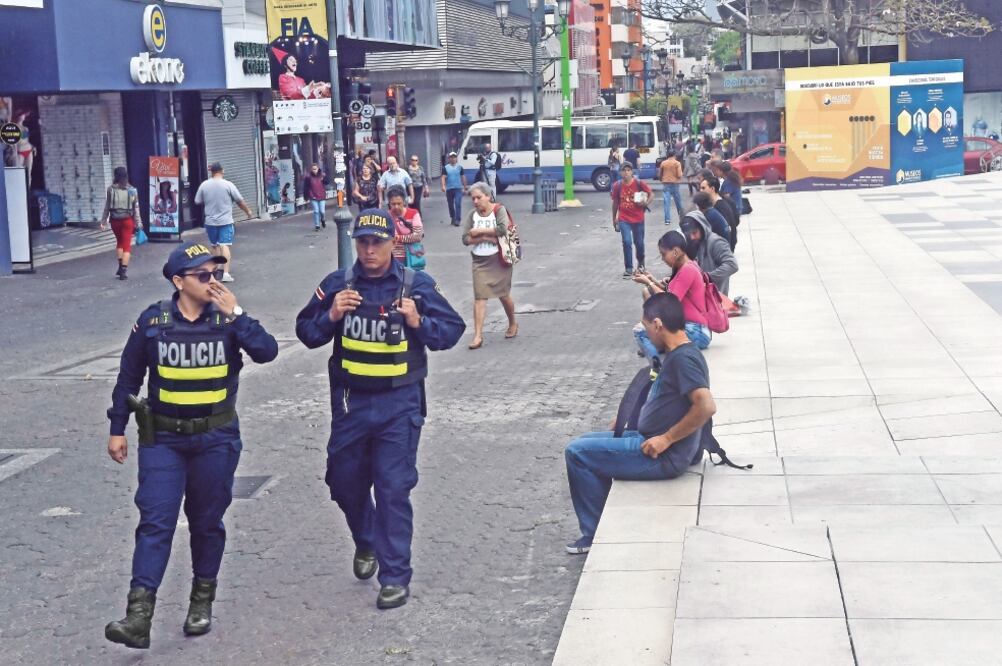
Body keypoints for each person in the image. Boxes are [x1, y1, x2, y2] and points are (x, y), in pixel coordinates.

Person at [103, 242, 278, 649]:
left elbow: (267, 352)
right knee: (155, 522)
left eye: (216, 273)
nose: (212, 281)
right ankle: (138, 617)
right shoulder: (153, 322)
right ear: (179, 282)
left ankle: (202, 601)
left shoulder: (228, 319)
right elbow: (129, 378)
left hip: (215, 440)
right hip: (162, 440)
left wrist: (236, 312)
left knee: (205, 522)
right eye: (203, 276)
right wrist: (117, 428)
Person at [295, 209, 465, 609]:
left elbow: (450, 332)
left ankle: (394, 577)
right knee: (343, 482)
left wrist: (419, 321)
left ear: (393, 243)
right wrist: (332, 314)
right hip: (352, 406)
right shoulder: (338, 284)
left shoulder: (415, 285)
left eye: (378, 242)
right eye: (363, 242)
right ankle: (366, 539)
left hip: (399, 405)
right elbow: (305, 332)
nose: (370, 250)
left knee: (392, 489)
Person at [563, 292, 716, 554]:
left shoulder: (684, 360)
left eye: (646, 327)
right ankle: (598, 521)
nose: (646, 334)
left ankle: (594, 534)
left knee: (576, 453)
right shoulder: (680, 352)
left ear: (657, 324)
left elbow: (706, 405)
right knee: (585, 441)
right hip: (650, 437)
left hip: (662, 454)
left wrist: (666, 438)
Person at [462, 182, 518, 349]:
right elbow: (465, 239)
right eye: (473, 198)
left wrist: (478, 232)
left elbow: (502, 229)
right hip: (480, 261)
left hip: (499, 259)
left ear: (488, 196)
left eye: (479, 197)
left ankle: (513, 322)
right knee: (479, 297)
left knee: (504, 294)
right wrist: (486, 238)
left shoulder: (499, 210)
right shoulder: (472, 215)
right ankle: (478, 336)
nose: (476, 201)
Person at [638, 230, 711, 349]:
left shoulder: (688, 270)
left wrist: (649, 282)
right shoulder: (685, 267)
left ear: (675, 252)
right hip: (692, 328)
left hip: (697, 330)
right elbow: (671, 293)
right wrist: (653, 280)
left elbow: (669, 302)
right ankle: (659, 349)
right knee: (650, 326)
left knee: (641, 332)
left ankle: (656, 365)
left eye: (663, 254)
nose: (663, 259)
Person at [194, 163, 252, 283]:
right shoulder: (228, 185)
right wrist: (248, 212)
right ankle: (225, 273)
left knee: (214, 245)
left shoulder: (204, 185)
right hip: (225, 221)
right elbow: (239, 201)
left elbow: (197, 201)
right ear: (222, 171)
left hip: (210, 221)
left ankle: (216, 270)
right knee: (225, 245)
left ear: (212, 172)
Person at [679, 211, 738, 295]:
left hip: (715, 298)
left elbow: (732, 265)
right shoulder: (692, 243)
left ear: (702, 227)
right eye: (689, 234)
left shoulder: (716, 242)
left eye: (694, 232)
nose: (692, 237)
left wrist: (707, 277)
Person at [611, 163, 653, 278]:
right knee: (627, 242)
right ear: (620, 172)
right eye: (624, 170)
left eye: (628, 170)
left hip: (638, 218)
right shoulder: (617, 186)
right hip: (624, 219)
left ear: (632, 172)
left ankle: (641, 264)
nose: (626, 173)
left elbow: (651, 194)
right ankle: (628, 268)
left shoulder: (639, 184)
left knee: (639, 243)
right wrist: (614, 218)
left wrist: (646, 203)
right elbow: (615, 203)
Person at [101, 166, 143, 281]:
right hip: (127, 220)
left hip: (115, 221)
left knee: (119, 242)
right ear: (126, 175)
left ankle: (120, 267)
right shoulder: (132, 190)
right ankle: (123, 271)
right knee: (126, 246)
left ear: (115, 176)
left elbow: (107, 205)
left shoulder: (111, 189)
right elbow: (136, 208)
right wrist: (138, 222)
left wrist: (103, 221)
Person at [387, 186, 424, 268]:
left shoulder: (413, 213)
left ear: (404, 202)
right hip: (391, 258)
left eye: (399, 203)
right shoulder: (385, 216)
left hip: (411, 255)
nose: (396, 206)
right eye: (393, 204)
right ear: (389, 203)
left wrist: (398, 238)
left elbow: (418, 236)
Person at [700, 175, 738, 252]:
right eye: (700, 188)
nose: (700, 191)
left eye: (703, 188)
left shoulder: (720, 207)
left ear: (712, 189)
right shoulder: (716, 203)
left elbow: (727, 230)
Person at [441, 151, 468, 226]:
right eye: (451, 157)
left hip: (458, 188)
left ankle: (457, 220)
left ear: (456, 158)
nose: (453, 159)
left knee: (457, 203)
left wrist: (465, 187)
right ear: (449, 159)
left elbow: (463, 177)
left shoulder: (460, 167)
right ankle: (453, 217)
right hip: (449, 188)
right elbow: (443, 177)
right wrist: (443, 186)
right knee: (450, 204)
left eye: (454, 157)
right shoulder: (445, 168)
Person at [658, 150, 685, 226]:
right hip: (675, 184)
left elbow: (660, 174)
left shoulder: (663, 163)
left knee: (666, 203)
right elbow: (679, 175)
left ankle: (667, 220)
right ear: (674, 155)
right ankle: (682, 218)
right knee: (678, 203)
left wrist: (661, 179)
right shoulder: (677, 163)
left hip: (666, 184)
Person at [302, 163, 329, 231]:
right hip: (313, 196)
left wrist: (324, 179)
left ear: (318, 169)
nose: (314, 170)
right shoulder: (308, 177)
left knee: (322, 211)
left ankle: (322, 219)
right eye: (313, 169)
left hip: (321, 196)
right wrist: (306, 197)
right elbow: (306, 187)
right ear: (311, 169)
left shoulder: (321, 175)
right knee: (316, 211)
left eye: (315, 169)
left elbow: (327, 182)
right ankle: (317, 225)